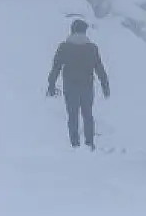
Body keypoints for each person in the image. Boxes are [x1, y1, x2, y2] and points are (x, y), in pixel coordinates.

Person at [46, 19, 110, 150]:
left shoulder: (64, 47)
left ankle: (74, 143)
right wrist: (105, 86)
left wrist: (51, 84)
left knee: (72, 115)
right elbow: (99, 68)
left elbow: (56, 67)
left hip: (70, 86)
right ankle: (89, 142)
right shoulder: (92, 48)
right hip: (87, 86)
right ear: (85, 31)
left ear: (72, 30)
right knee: (88, 114)